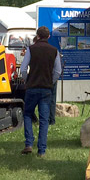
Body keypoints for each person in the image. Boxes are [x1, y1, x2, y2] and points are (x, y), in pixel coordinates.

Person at [19, 26, 61, 157]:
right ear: (48, 37)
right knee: (44, 119)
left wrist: (28, 80)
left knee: (27, 114)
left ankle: (29, 144)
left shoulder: (31, 49)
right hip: (46, 88)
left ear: (37, 36)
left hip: (32, 87)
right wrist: (51, 81)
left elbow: (23, 69)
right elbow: (58, 71)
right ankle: (41, 150)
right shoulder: (54, 51)